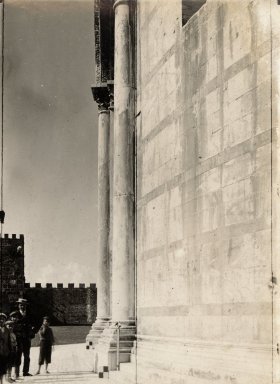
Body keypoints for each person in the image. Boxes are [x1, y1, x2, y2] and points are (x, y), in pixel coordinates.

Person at [13, 298, 35, 377]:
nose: (22, 306)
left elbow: (34, 324)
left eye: (23, 305)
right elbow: (12, 326)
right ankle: (17, 373)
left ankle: (25, 372)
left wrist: (32, 332)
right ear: (18, 305)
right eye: (20, 305)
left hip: (26, 338)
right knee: (18, 355)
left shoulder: (29, 314)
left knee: (27, 356)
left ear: (26, 306)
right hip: (18, 338)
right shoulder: (14, 314)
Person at [0, 313, 11, 384]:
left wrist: (9, 350)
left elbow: (9, 341)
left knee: (3, 368)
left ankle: (1, 382)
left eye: (3, 319)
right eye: (0, 319)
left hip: (4, 352)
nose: (1, 320)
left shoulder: (7, 330)